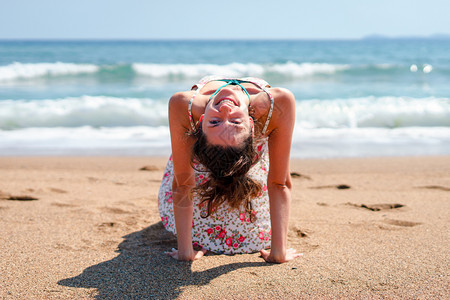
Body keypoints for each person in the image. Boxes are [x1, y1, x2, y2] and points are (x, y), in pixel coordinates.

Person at [158, 75, 301, 263]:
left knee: (219, 144)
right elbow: (279, 183)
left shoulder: (184, 104)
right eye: (234, 121)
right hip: (208, 164)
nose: (225, 109)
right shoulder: (278, 102)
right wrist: (278, 252)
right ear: (250, 125)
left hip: (244, 162)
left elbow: (183, 185)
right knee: (218, 144)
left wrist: (186, 251)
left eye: (215, 121)